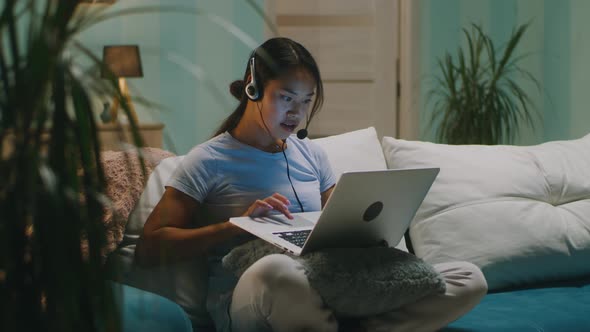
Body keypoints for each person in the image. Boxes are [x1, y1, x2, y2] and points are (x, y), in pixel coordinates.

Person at [135, 37, 488, 332]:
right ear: (253, 89)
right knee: (279, 273)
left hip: (326, 282)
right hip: (248, 297)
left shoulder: (312, 156)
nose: (297, 113)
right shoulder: (207, 160)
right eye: (287, 98)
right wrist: (235, 225)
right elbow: (150, 247)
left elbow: (341, 223)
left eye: (306, 101)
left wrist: (372, 232)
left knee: (467, 277)